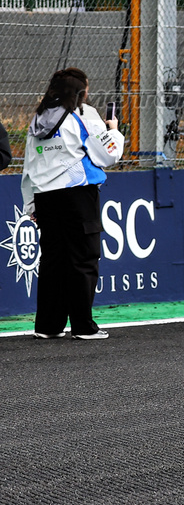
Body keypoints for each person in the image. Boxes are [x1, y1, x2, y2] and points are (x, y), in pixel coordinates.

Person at [21, 67, 125, 339]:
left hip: (45, 197)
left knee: (53, 261)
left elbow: (28, 167)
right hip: (78, 194)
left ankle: (47, 326)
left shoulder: (38, 118)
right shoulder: (84, 114)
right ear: (79, 92)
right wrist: (113, 131)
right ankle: (83, 326)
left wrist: (31, 204)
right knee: (84, 260)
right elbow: (108, 155)